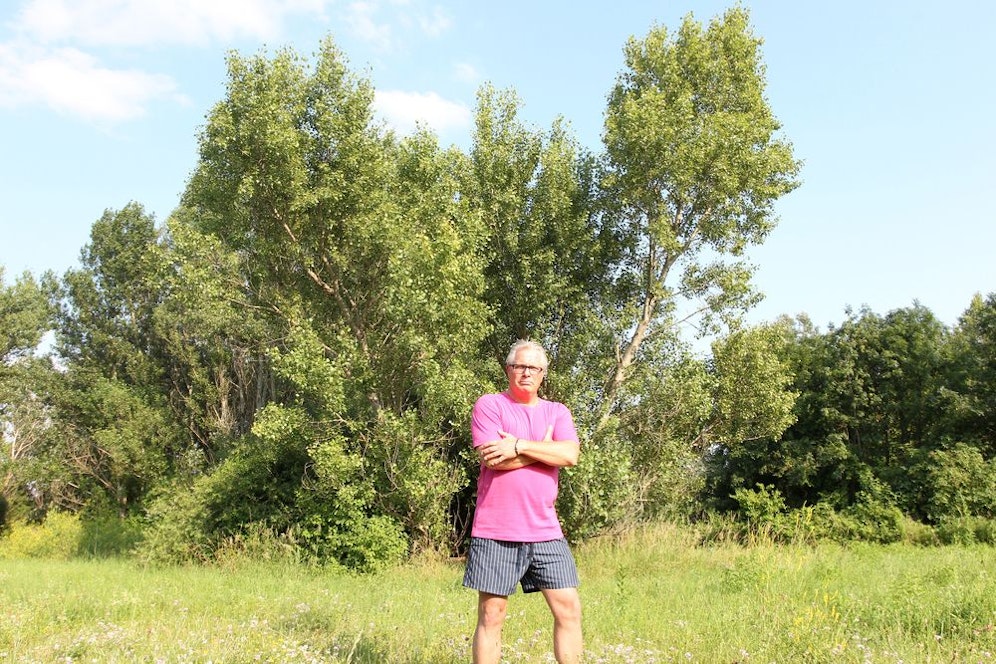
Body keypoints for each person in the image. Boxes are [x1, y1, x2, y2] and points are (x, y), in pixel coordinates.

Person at [464, 339, 583, 664]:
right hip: (496, 530)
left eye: (533, 367)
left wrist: (518, 445)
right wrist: (544, 449)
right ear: (508, 369)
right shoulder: (490, 405)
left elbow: (570, 455)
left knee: (568, 609)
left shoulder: (556, 411)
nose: (526, 372)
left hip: (546, 531)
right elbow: (493, 459)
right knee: (492, 614)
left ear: (543, 373)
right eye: (520, 366)